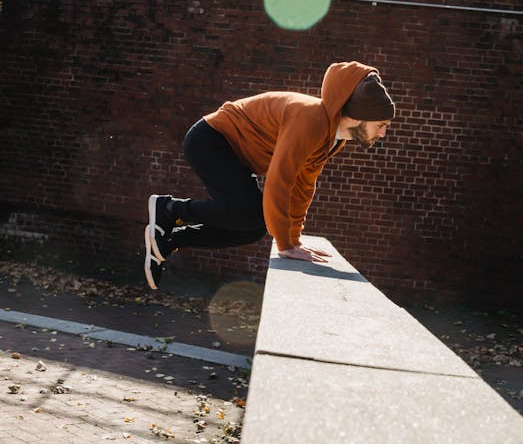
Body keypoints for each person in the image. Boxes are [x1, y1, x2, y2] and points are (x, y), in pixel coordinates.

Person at [143, 61, 395, 289]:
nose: (383, 134)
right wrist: (285, 246)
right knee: (251, 212)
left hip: (233, 154)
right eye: (380, 126)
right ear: (360, 118)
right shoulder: (311, 119)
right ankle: (170, 209)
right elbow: (280, 180)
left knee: (252, 229)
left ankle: (168, 240)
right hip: (211, 140)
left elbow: (304, 185)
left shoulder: (334, 137)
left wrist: (294, 240)